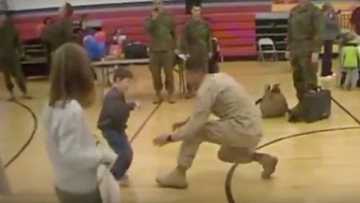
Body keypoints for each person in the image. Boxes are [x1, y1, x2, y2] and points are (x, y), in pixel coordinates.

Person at [153, 62, 278, 189]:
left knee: (197, 131)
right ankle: (263, 159)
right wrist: (187, 122)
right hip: (253, 128)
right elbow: (202, 112)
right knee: (225, 154)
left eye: (187, 73)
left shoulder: (206, 89)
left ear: (196, 73)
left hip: (241, 128)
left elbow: (196, 125)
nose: (187, 78)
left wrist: (170, 138)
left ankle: (179, 173)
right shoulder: (220, 78)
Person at [43, 43, 117, 203]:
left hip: (63, 182)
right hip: (81, 188)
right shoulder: (71, 109)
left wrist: (90, 141)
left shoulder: (51, 105)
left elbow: (63, 144)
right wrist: (102, 156)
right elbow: (72, 155)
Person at [98, 68, 139, 187]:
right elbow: (116, 112)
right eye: (126, 82)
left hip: (117, 129)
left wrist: (131, 105)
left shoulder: (117, 94)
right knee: (125, 153)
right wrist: (128, 109)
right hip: (111, 129)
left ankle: (118, 173)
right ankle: (114, 176)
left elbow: (120, 107)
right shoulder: (112, 96)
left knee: (124, 152)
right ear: (117, 80)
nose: (128, 85)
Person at [287, 0, 324, 122]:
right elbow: (290, 32)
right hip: (295, 49)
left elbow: (319, 32)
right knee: (297, 79)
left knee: (309, 80)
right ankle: (302, 105)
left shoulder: (314, 11)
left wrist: (316, 50)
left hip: (308, 48)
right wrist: (288, 48)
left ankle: (311, 108)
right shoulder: (293, 11)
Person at [145, 0, 176, 104]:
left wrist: (175, 47)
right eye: (155, 3)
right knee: (155, 74)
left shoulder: (169, 17)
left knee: (169, 73)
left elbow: (174, 32)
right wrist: (154, 19)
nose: (157, 5)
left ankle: (170, 93)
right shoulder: (150, 18)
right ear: (152, 5)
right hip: (154, 50)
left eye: (159, 3)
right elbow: (147, 29)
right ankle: (158, 93)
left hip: (167, 50)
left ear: (163, 5)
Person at [180, 6, 213, 98]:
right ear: (191, 11)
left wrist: (210, 50)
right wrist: (185, 52)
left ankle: (202, 90)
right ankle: (191, 90)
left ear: (200, 11)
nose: (197, 12)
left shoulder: (205, 24)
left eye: (198, 10)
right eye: (195, 10)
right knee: (191, 71)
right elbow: (184, 39)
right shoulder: (187, 25)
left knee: (203, 71)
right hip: (192, 50)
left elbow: (209, 38)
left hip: (203, 50)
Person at [0, 12, 31, 101]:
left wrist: (22, 52)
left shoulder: (13, 29)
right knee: (7, 77)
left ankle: (24, 92)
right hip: (2, 57)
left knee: (18, 75)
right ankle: (11, 94)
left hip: (13, 55)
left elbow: (18, 42)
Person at [321, 2, 340, 77]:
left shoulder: (327, 14)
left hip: (329, 36)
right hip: (327, 37)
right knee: (327, 55)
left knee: (328, 54)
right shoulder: (326, 15)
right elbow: (330, 23)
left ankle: (328, 71)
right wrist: (335, 18)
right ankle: (326, 72)